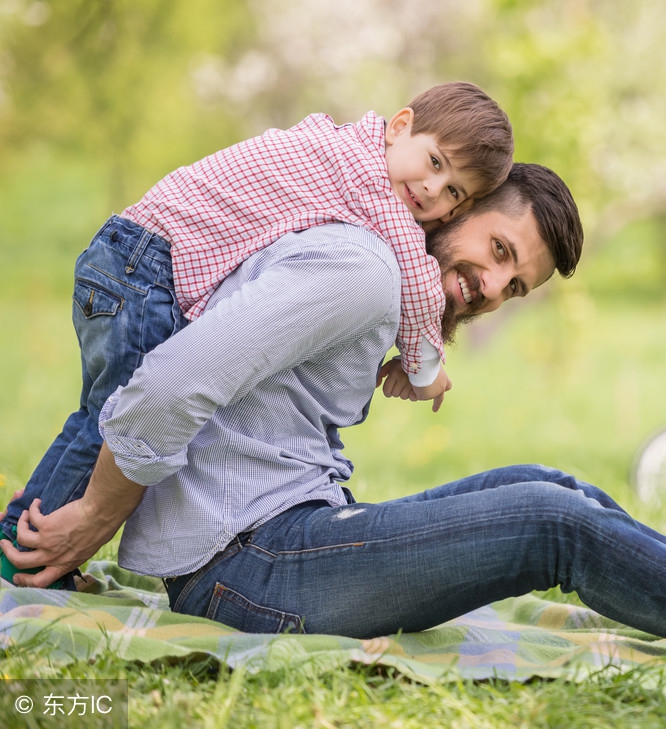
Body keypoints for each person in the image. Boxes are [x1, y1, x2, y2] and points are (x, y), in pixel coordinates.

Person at [2, 164, 666, 656]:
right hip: (246, 569)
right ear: (455, 204)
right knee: (553, 523)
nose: (487, 285)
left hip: (282, 536)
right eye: (498, 253)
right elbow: (166, 383)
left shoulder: (373, 273)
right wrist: (95, 514)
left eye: (512, 286)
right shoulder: (357, 269)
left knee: (548, 485)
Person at [0, 82, 515, 585]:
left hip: (127, 257)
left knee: (96, 416)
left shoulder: (343, 147)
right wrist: (426, 368)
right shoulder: (368, 178)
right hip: (146, 267)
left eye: (453, 192)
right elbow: (419, 277)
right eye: (434, 162)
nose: (431, 190)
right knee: (115, 422)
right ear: (400, 127)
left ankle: (27, 550)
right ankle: (25, 561)